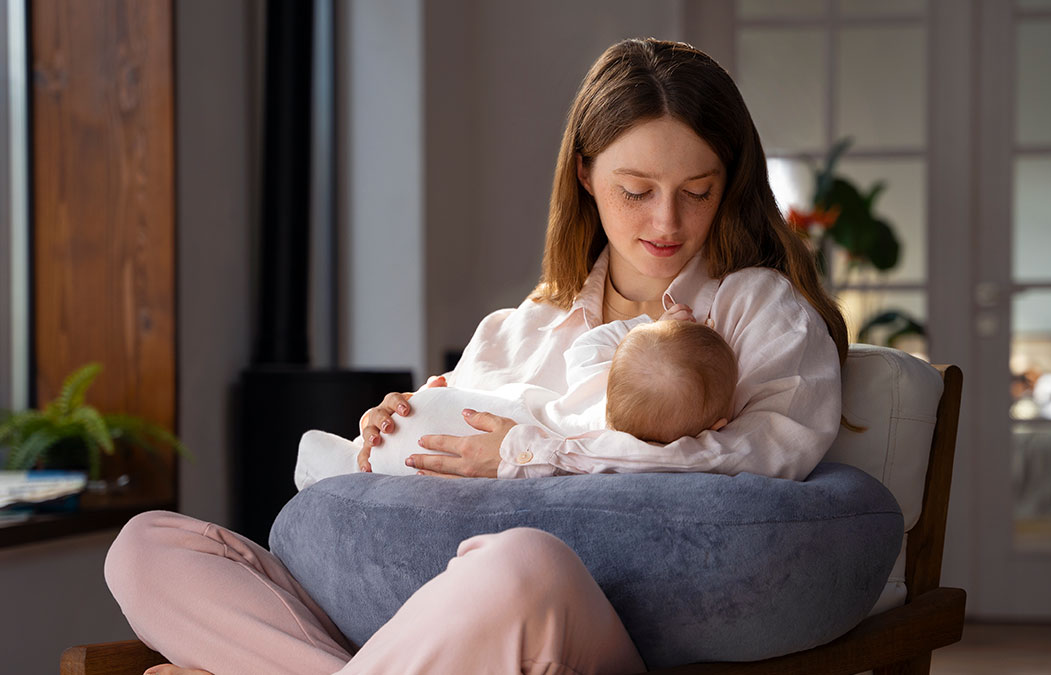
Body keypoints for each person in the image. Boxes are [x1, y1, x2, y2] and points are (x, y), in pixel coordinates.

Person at [105, 37, 848, 675]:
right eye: (636, 190)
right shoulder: (520, 327)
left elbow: (761, 463)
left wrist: (536, 454)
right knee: (147, 548)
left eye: (697, 190)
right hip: (435, 618)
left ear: (731, 185)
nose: (666, 220)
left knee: (522, 563)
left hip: (564, 616)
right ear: (586, 174)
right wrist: (389, 437)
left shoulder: (754, 308)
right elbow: (438, 466)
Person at [294, 304, 736, 489]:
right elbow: (691, 459)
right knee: (368, 462)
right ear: (715, 425)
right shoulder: (625, 450)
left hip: (447, 412)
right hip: (445, 428)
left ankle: (341, 460)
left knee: (361, 461)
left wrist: (653, 323)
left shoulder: (597, 377)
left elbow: (590, 346)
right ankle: (342, 462)